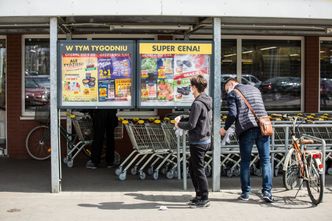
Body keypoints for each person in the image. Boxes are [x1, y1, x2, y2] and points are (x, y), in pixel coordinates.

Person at [220, 78, 273, 203]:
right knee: (265, 160)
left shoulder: (233, 93)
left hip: (246, 128)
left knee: (245, 162)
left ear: (231, 83)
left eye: (226, 88)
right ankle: (267, 192)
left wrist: (224, 128)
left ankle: (245, 194)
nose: (226, 91)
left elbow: (233, 114)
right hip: (263, 126)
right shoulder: (255, 89)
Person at [175, 75, 212, 208]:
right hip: (204, 139)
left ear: (195, 87)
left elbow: (191, 124)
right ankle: (199, 195)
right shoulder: (206, 100)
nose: (190, 88)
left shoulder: (197, 103)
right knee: (193, 168)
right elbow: (197, 117)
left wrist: (179, 125)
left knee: (198, 169)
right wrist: (183, 116)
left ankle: (204, 197)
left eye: (191, 86)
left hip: (198, 141)